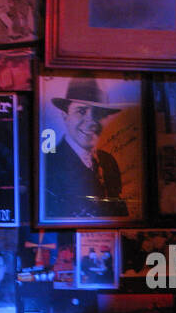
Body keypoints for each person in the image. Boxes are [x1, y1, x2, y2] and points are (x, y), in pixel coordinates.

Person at [43, 78, 130, 220]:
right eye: (81, 111)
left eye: (99, 113)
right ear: (65, 116)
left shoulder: (108, 161)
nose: (91, 122)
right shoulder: (50, 163)